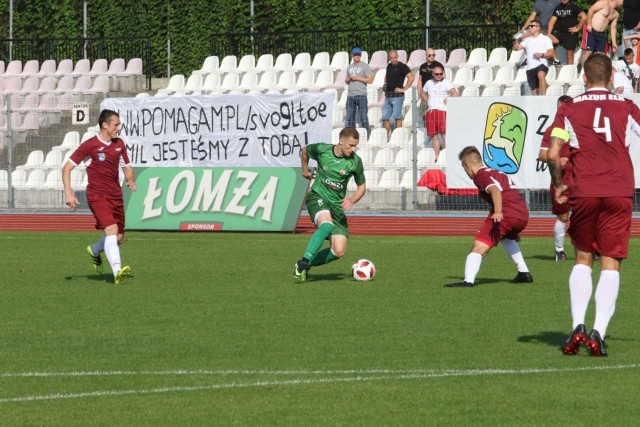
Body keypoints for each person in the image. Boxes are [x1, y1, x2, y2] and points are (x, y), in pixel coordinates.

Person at [547, 52, 640, 357]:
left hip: (584, 188)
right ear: (612, 77)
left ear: (584, 78)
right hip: (619, 188)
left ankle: (577, 326)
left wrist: (560, 183)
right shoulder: (627, 106)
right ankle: (598, 332)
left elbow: (552, 153)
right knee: (611, 262)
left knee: (583, 258)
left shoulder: (569, 108)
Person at [62, 109, 137, 285]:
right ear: (105, 125)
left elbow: (127, 167)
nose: (119, 128)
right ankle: (118, 272)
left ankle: (95, 250)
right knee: (111, 231)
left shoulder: (119, 144)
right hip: (97, 195)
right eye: (116, 124)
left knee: (119, 238)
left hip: (115, 195)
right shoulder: (90, 145)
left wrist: (130, 180)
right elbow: (66, 168)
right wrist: (69, 192)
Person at [445, 146, 533, 288]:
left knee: (479, 246)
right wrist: (513, 227)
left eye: (464, 168)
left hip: (506, 212)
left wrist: (498, 212)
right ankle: (524, 273)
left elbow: (495, 190)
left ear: (467, 166)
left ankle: (468, 281)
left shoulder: (480, 176)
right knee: (506, 238)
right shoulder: (495, 172)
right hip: (521, 212)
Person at [293, 127, 366, 283]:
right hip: (317, 197)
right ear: (341, 141)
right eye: (351, 145)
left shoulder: (355, 162)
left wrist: (351, 200)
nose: (353, 149)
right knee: (326, 225)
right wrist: (304, 170)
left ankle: (305, 266)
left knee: (338, 251)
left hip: (336, 206)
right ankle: (303, 261)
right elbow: (304, 151)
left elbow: (362, 187)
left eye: (356, 146)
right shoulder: (322, 150)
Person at [537, 95, 573, 261]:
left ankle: (591, 247)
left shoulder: (581, 127)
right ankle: (559, 250)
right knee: (563, 216)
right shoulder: (552, 130)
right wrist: (559, 160)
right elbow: (542, 155)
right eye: (561, 109)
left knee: (588, 213)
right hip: (562, 180)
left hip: (583, 178)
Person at [422, 65, 458, 163]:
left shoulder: (446, 83)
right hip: (431, 111)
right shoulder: (429, 83)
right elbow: (422, 93)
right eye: (436, 74)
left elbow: (454, 93)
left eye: (440, 74)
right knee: (433, 136)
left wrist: (446, 100)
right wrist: (429, 101)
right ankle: (436, 157)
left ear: (443, 73)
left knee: (444, 134)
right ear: (433, 74)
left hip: (442, 111)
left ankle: (447, 156)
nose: (438, 76)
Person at [513, 17, 556, 95]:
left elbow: (551, 53)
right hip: (530, 68)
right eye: (529, 26)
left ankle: (543, 97)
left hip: (541, 64)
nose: (530, 28)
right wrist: (518, 39)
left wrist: (542, 55)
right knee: (534, 92)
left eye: (532, 26)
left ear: (538, 27)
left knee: (541, 74)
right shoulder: (527, 40)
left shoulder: (545, 39)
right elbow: (516, 49)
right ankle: (537, 102)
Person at [381, 49, 414, 141]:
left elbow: (411, 78)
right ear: (389, 58)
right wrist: (385, 84)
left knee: (397, 117)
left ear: (397, 56)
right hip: (388, 96)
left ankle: (398, 139)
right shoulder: (389, 66)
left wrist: (404, 89)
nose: (393, 60)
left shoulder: (402, 66)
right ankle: (386, 138)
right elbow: (386, 77)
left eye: (395, 57)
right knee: (385, 118)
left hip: (397, 97)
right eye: (391, 58)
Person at [580, 0, 623, 67]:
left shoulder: (616, 14)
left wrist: (614, 43)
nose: (623, 4)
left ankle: (596, 72)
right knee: (589, 51)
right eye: (623, 1)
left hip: (601, 34)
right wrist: (589, 24)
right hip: (591, 30)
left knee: (601, 55)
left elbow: (613, 28)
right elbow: (591, 10)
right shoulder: (604, 2)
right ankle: (583, 72)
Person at [521, 0, 562, 64]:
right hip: (541, 28)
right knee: (524, 36)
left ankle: (556, 60)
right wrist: (523, 28)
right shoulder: (538, 2)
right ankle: (527, 57)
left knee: (546, 42)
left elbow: (563, 11)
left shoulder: (557, 1)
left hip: (553, 28)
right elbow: (532, 16)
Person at [547, 0, 587, 65]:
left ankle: (569, 70)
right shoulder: (558, 7)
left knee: (569, 54)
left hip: (570, 34)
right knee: (546, 40)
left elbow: (584, 16)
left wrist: (578, 28)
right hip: (560, 33)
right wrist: (549, 34)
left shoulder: (574, 7)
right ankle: (556, 60)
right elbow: (552, 21)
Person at [345, 47, 373, 138]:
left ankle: (367, 136)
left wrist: (357, 78)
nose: (356, 56)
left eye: (358, 54)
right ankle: (352, 137)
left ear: (360, 55)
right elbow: (346, 81)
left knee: (364, 118)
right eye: (355, 55)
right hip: (350, 96)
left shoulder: (365, 66)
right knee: (350, 119)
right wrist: (348, 79)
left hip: (361, 95)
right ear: (352, 56)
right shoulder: (349, 67)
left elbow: (370, 79)